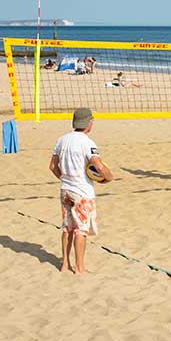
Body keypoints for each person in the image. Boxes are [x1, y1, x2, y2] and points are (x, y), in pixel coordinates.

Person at [49, 108, 112, 275]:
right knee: (81, 230)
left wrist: (65, 179)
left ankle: (64, 264)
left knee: (67, 227)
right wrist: (108, 177)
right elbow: (98, 166)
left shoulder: (61, 140)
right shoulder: (87, 142)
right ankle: (79, 268)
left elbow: (52, 167)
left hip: (66, 189)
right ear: (88, 123)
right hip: (82, 192)